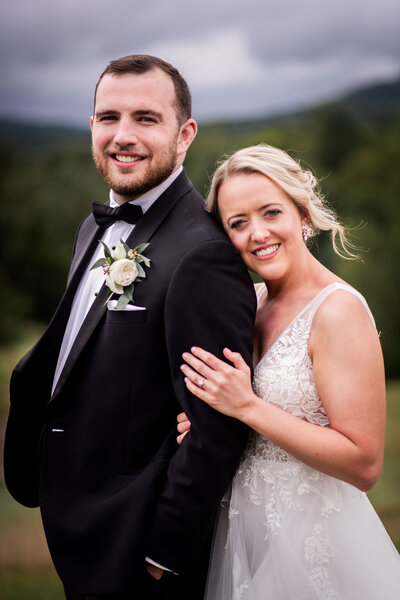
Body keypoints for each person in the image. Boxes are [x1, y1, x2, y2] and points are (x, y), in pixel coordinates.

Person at [3, 55, 257, 600]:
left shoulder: (203, 256)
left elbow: (217, 426)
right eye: (108, 117)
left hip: (136, 548)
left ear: (184, 133)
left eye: (146, 118)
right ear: (91, 126)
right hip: (80, 526)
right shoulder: (90, 230)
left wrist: (159, 557)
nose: (123, 136)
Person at [177, 144, 400, 599]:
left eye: (271, 212)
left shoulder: (337, 311)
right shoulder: (251, 301)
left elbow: (364, 463)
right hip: (242, 535)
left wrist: (245, 407)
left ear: (301, 213)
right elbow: (237, 418)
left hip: (315, 548)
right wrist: (205, 424)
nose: (257, 233)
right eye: (237, 223)